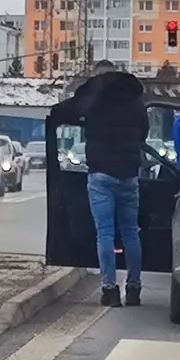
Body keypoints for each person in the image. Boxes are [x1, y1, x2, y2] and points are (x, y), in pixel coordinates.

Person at [58, 60, 149, 307]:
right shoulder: (136, 102)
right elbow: (144, 135)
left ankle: (109, 290)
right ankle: (134, 289)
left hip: (101, 176)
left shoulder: (93, 101)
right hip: (129, 176)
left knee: (105, 234)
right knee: (131, 233)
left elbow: (63, 113)